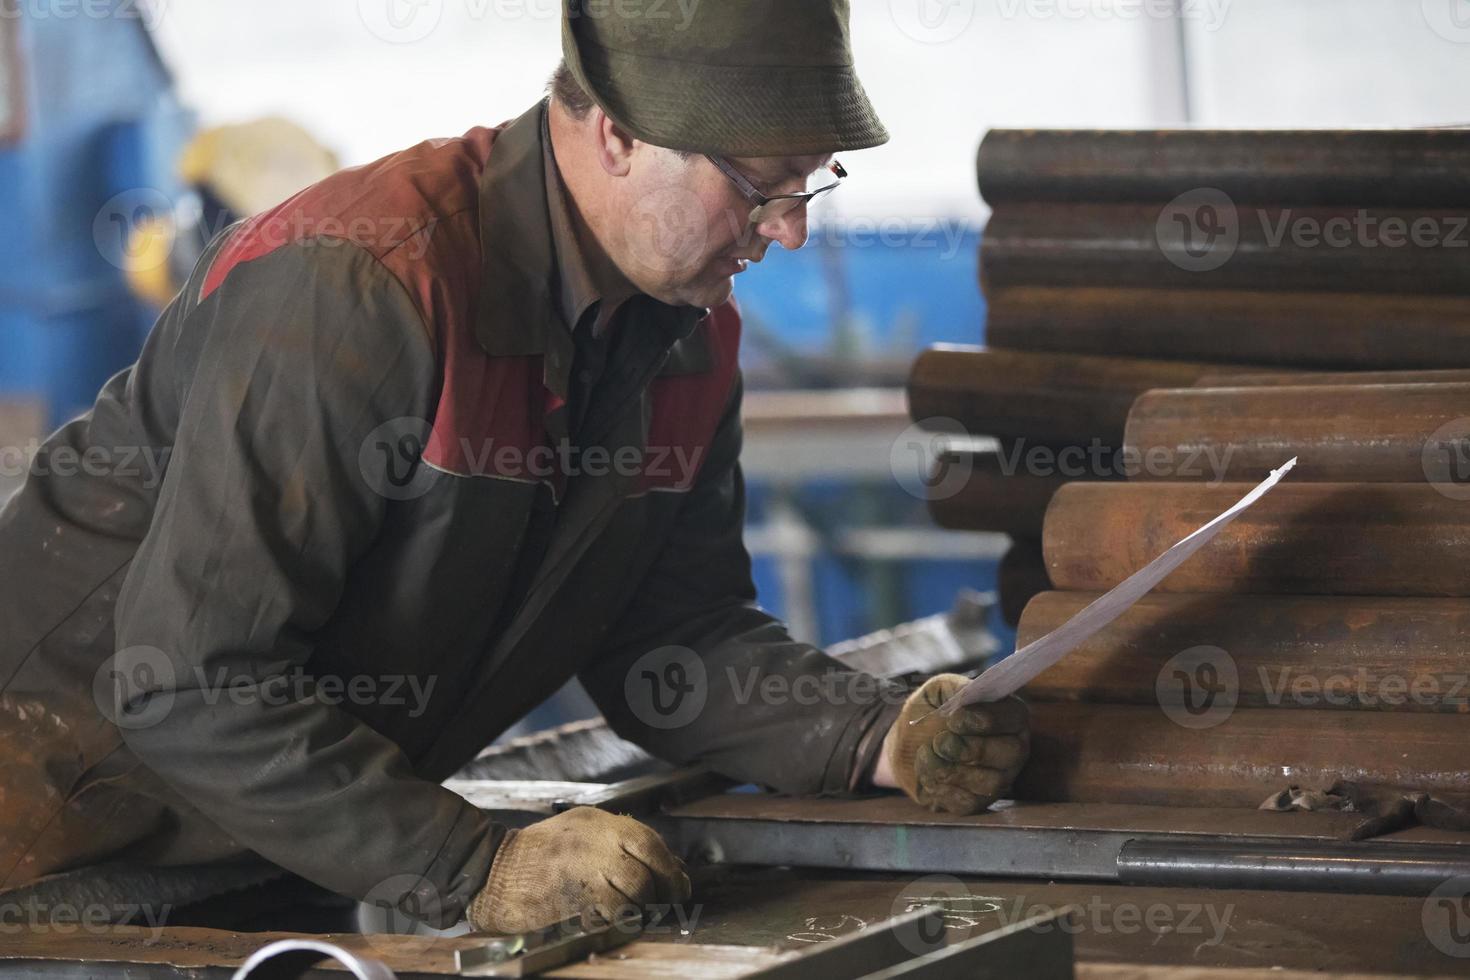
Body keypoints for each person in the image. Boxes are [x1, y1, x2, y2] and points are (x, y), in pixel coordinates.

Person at [0, 0, 1028, 933]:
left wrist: (876, 735)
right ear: (618, 134)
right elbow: (189, 680)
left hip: (262, 856)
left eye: (811, 183)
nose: (792, 228)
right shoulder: (363, 290)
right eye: (759, 187)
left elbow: (671, 637)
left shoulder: (687, 345)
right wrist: (480, 862)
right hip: (49, 856)